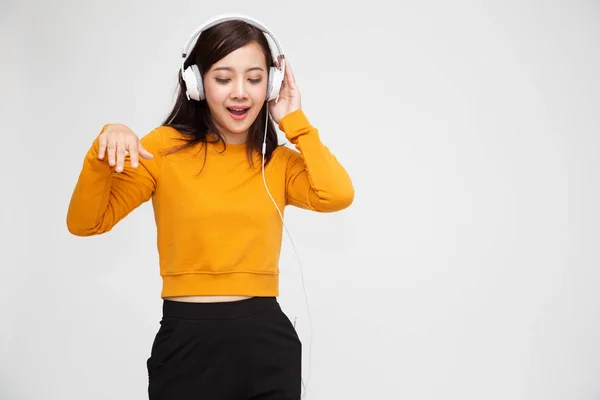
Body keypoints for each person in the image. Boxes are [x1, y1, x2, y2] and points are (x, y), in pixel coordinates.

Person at [66, 14, 354, 400]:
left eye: (254, 79)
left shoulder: (277, 160)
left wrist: (295, 122)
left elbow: (337, 194)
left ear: (270, 85)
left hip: (267, 341)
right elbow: (87, 223)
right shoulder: (163, 148)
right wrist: (104, 145)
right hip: (187, 342)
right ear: (196, 83)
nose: (241, 92)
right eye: (223, 78)